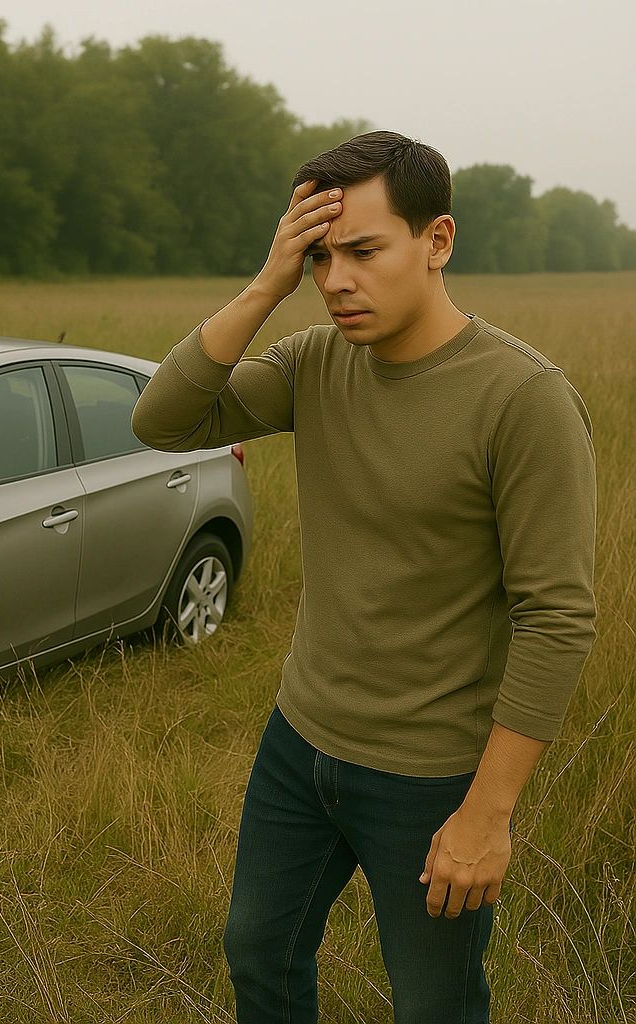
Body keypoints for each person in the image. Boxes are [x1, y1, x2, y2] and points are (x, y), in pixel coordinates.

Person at [129, 130, 598, 1023]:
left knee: (435, 1006)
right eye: (320, 257)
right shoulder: (315, 364)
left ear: (438, 241)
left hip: (430, 780)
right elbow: (163, 418)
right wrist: (269, 283)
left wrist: (486, 815)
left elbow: (558, 619)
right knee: (259, 957)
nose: (337, 280)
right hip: (299, 743)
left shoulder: (522, 398)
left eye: (364, 251)